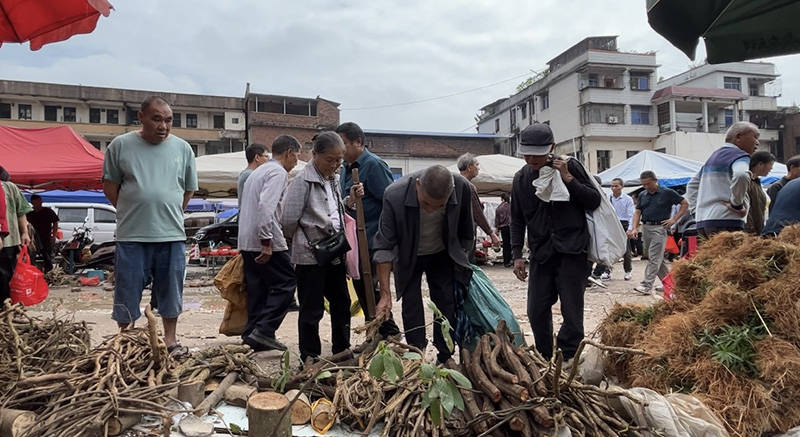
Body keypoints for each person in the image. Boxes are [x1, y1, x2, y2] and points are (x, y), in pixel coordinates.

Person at [102, 96, 197, 356]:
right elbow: (110, 186)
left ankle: (170, 341)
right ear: (141, 117)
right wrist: (134, 209)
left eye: (168, 120)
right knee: (127, 290)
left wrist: (167, 210)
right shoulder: (120, 145)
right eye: (156, 119)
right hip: (132, 235)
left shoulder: (183, 149)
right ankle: (126, 341)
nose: (163, 125)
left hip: (171, 235)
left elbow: (187, 191)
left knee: (171, 291)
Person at [510, 124, 601, 362]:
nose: (531, 158)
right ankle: (543, 354)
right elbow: (517, 218)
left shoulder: (570, 167)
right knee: (536, 309)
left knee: (572, 311)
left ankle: (568, 356)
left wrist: (568, 178)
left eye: (536, 154)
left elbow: (593, 200)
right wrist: (516, 253)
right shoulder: (521, 178)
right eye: (526, 154)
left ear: (551, 147)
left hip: (572, 250)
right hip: (542, 252)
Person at [372, 165, 474, 364]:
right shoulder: (394, 195)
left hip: (443, 253)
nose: (432, 209)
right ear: (417, 186)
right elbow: (384, 246)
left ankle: (445, 354)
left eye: (439, 206)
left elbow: (466, 232)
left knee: (446, 301)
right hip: (409, 254)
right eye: (426, 203)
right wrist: (385, 293)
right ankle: (416, 353)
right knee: (411, 303)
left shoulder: (461, 187)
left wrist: (464, 264)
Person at [281, 131, 359, 363]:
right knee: (311, 307)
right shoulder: (301, 182)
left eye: (339, 160)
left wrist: (350, 201)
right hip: (310, 256)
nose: (335, 165)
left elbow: (335, 210)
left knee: (341, 302)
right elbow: (287, 220)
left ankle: (342, 349)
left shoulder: (334, 179)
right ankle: (310, 354)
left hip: (334, 251)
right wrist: (307, 240)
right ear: (315, 155)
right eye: (330, 160)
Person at [335, 121, 401, 339]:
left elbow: (389, 201)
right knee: (361, 284)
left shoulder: (373, 165)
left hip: (373, 238)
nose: (341, 149)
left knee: (370, 285)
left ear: (358, 143)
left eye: (344, 144)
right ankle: (378, 328)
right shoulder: (345, 167)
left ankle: (386, 329)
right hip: (354, 240)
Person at [237, 135, 301, 352]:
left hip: (247, 240)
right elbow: (266, 207)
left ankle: (252, 334)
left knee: (259, 289)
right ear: (289, 152)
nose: (296, 161)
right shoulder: (277, 172)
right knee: (286, 284)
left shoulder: (258, 172)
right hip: (264, 239)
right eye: (297, 156)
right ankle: (264, 330)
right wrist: (267, 241)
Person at [686, 121, 757, 237]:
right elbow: (741, 175)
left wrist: (696, 212)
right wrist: (737, 205)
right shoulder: (739, 156)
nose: (757, 142)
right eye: (755, 137)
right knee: (731, 255)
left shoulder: (714, 157)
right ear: (738, 137)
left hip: (704, 222)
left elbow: (692, 185)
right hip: (727, 221)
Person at [628, 171, 687, 295]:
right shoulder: (643, 195)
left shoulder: (667, 193)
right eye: (643, 184)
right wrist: (634, 227)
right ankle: (670, 284)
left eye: (648, 184)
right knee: (656, 258)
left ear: (655, 180)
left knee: (654, 257)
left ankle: (646, 285)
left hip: (660, 228)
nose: (646, 187)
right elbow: (638, 212)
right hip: (646, 227)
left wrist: (674, 219)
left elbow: (684, 203)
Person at [457, 153, 500, 262]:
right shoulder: (468, 186)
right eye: (477, 164)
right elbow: (477, 213)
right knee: (466, 265)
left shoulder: (455, 183)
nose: (479, 168)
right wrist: (491, 233)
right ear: (469, 167)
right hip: (466, 233)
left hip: (455, 234)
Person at [1, 167, 32, 303]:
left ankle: (6, 308)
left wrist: (25, 232)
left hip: (8, 241)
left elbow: (21, 212)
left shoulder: (9, 188)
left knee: (5, 276)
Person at [592, 178, 634, 281]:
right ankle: (606, 271)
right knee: (608, 248)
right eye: (612, 186)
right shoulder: (608, 198)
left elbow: (631, 215)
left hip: (623, 223)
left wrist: (630, 229)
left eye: (616, 186)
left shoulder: (627, 199)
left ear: (622, 187)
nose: (614, 188)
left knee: (625, 249)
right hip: (612, 223)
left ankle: (628, 270)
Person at [26, 194, 59, 273]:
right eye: (35, 202)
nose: (38, 203)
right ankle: (32, 271)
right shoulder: (29, 213)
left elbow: (55, 223)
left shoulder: (48, 211)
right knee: (31, 256)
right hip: (33, 239)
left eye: (39, 202)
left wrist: (54, 235)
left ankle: (49, 273)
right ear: (32, 202)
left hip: (45, 238)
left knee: (47, 256)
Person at [745, 151, 775, 235]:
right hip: (751, 231)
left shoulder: (757, 182)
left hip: (759, 229)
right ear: (760, 164)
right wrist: (751, 230)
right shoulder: (748, 182)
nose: (771, 168)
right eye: (770, 164)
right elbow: (748, 209)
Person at [494, 193, 512, 267]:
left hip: (503, 228)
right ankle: (512, 259)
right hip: (512, 227)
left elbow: (497, 220)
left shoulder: (499, 208)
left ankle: (506, 262)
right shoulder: (512, 206)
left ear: (502, 198)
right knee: (512, 244)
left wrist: (497, 230)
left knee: (505, 244)